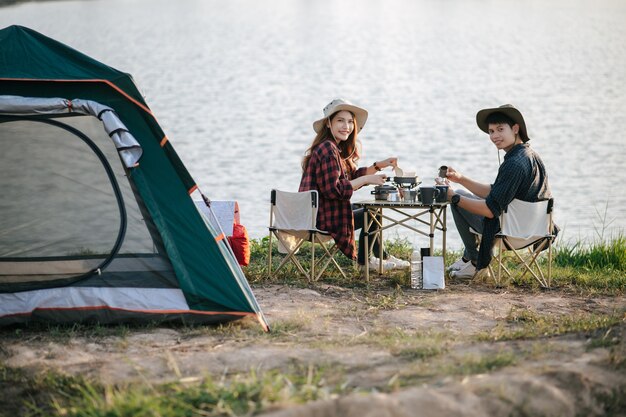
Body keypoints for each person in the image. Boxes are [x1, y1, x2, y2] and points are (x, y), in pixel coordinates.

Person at [441, 104, 553, 278]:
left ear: (515, 128)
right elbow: (496, 193)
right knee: (462, 194)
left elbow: (490, 210)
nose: (494, 136)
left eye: (500, 129)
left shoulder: (514, 164)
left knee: (459, 201)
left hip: (511, 232)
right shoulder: (529, 155)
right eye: (491, 131)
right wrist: (460, 179)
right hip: (535, 229)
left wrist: (453, 197)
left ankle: (474, 260)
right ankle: (468, 258)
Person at [299, 98, 409, 272]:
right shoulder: (328, 149)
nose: (346, 127)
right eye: (340, 121)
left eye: (350, 122)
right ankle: (365, 262)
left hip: (318, 213)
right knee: (370, 213)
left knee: (369, 210)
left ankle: (380, 256)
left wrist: (378, 166)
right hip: (319, 219)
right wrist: (366, 180)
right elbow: (335, 190)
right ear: (328, 123)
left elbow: (350, 177)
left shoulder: (332, 147)